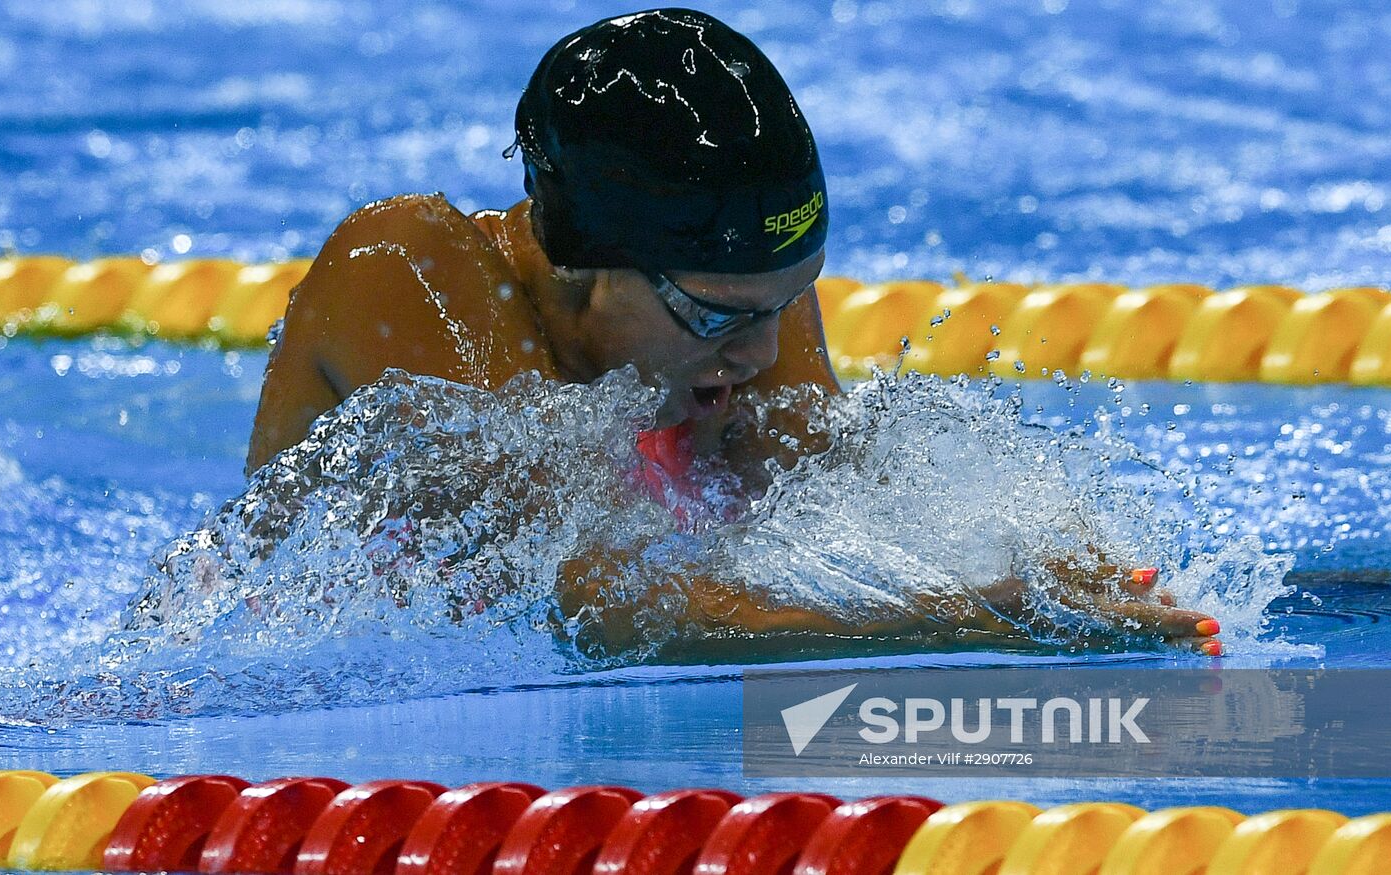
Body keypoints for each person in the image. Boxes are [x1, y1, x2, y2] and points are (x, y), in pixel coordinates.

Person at [245, 8, 1223, 656]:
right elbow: (597, 602)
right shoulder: (408, 266)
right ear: (586, 263)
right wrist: (949, 619)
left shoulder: (733, 308)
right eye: (717, 314)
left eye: (786, 302)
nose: (756, 354)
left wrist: (1035, 567)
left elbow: (828, 488)